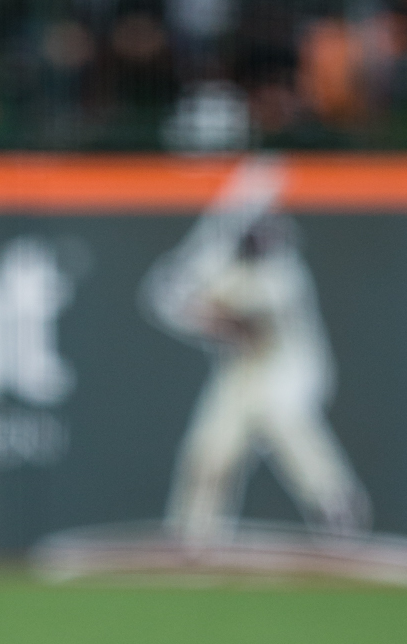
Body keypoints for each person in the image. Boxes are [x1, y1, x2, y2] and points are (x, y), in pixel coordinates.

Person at [141, 158, 370, 538]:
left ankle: (336, 504)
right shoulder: (218, 260)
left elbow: (248, 328)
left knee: (283, 416)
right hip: (242, 367)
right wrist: (189, 301)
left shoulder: (284, 278)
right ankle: (193, 533)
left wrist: (198, 311)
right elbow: (162, 296)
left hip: (290, 362)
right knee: (210, 450)